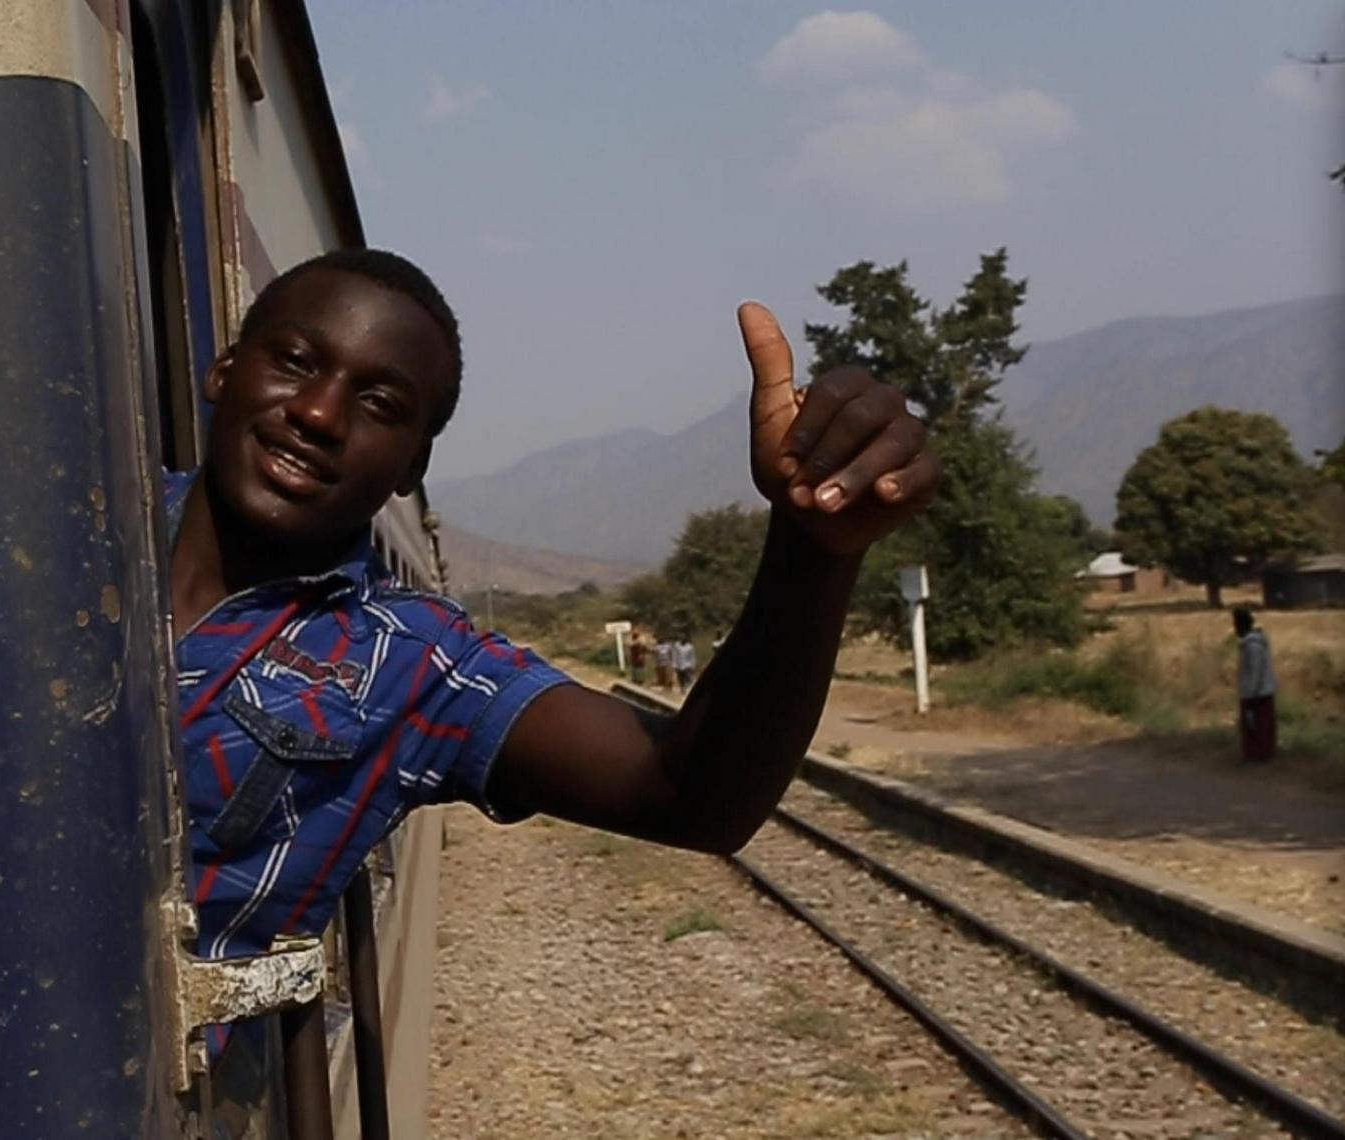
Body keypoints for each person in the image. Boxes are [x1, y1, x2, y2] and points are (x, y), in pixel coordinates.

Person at [167, 247, 937, 981]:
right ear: (225, 370)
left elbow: (687, 795)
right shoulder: (63, 515)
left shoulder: (412, 663)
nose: (319, 413)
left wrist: (813, 548)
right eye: (295, 362)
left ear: (412, 466)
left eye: (380, 404)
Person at [1234, 608, 1277, 762]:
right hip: (1258, 692)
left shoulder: (1253, 646)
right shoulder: (1250, 644)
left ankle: (1259, 754)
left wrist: (1250, 694)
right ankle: (1259, 753)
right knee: (1257, 725)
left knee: (1256, 726)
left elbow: (1255, 672)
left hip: (1258, 694)